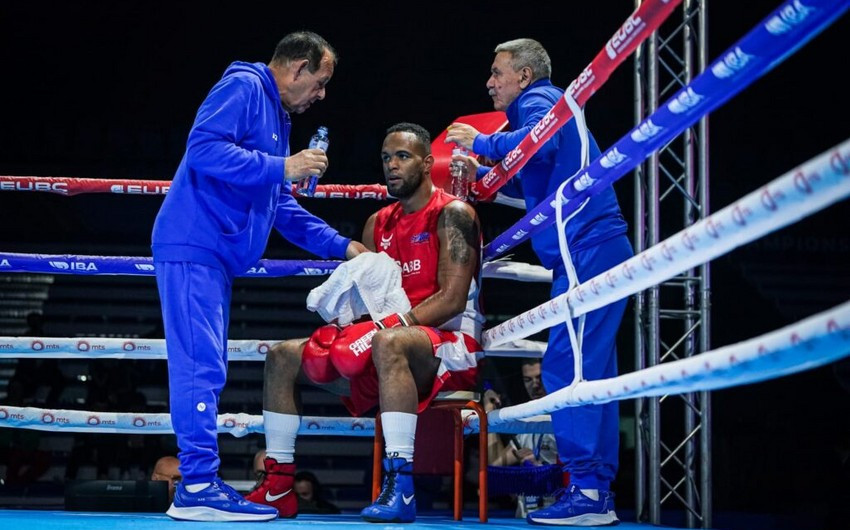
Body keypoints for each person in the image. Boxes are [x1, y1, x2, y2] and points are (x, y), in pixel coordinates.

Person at [150, 31, 368, 522]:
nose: (322, 93)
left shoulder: (278, 119)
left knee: (208, 367)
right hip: (194, 245)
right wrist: (283, 165)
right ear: (297, 69)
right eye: (321, 80)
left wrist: (345, 247)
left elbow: (281, 205)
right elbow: (204, 149)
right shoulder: (245, 86)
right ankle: (197, 487)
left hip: (213, 257)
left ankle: (203, 483)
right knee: (198, 367)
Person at [246, 122, 485, 524]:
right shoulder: (378, 223)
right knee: (283, 356)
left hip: (449, 348)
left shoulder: (453, 214)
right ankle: (279, 485)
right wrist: (349, 329)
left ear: (427, 163)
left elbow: (451, 299)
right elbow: (366, 296)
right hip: (387, 346)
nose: (392, 166)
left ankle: (401, 486)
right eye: (386, 158)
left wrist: (386, 327)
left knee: (387, 341)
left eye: (403, 157)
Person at [445, 38, 633, 526]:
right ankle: (594, 491)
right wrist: (486, 168)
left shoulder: (539, 101)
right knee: (589, 371)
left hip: (585, 248)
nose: (489, 82)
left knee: (568, 368)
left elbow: (540, 142)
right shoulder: (545, 108)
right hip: (592, 247)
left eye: (497, 72)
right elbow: (534, 170)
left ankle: (588, 492)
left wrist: (478, 144)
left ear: (524, 76)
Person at [485, 359, 561, 518]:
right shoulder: (526, 423)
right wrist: (490, 416)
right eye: (528, 380)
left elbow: (579, 474)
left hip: (559, 519)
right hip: (524, 520)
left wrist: (540, 470)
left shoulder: (566, 422)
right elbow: (493, 467)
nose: (535, 385)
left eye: (540, 378)